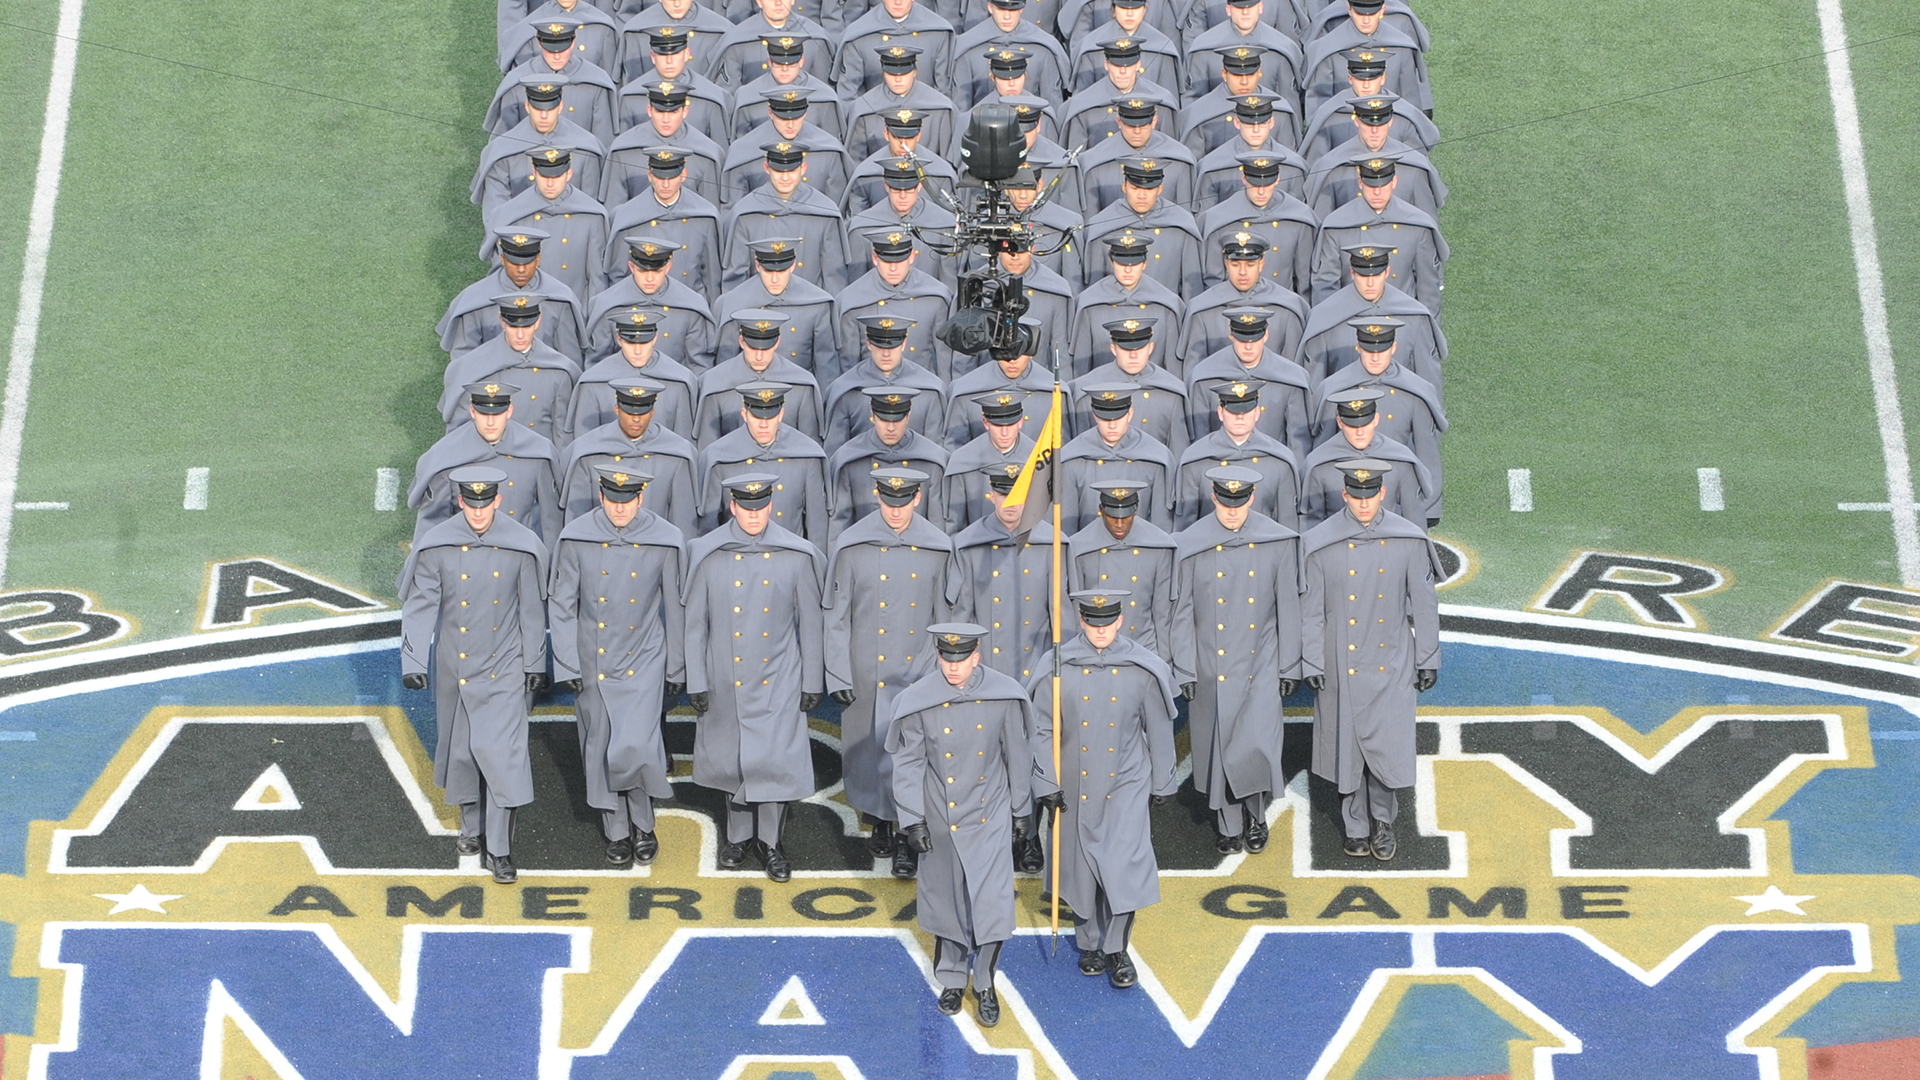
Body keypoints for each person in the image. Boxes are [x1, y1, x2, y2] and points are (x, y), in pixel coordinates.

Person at [399, 466, 550, 885]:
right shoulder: (437, 545)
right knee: (462, 750)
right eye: (471, 502)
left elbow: (531, 612)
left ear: (498, 501)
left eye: (486, 503)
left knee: (501, 757)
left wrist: (536, 663)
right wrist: (413, 662)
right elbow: (420, 605)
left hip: (504, 668)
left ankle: (499, 850)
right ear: (460, 500)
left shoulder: (521, 546)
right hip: (455, 667)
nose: (478, 512)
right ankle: (471, 827)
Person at [884, 623, 1035, 1025]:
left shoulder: (1003, 695)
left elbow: (1017, 756)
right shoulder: (918, 701)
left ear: (976, 657)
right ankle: (952, 978)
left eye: (961, 660)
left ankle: (984, 982)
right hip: (940, 815)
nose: (953, 668)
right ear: (939, 657)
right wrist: (912, 820)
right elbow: (909, 762)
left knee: (991, 905)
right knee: (947, 902)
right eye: (947, 660)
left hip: (989, 813)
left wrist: (1022, 812)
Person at [1028, 589, 1177, 988]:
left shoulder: (1142, 668)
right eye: (1092, 624)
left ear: (1120, 621)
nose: (1100, 632)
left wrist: (1163, 779)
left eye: (1107, 624)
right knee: (1079, 868)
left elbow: (1159, 728)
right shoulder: (1056, 666)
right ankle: (1089, 943)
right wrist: (1046, 782)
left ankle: (1116, 949)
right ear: (1081, 621)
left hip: (1125, 782)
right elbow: (1041, 728)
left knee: (1122, 865)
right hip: (1074, 783)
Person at [684, 472, 828, 881]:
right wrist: (696, 678)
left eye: (760, 507)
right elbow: (695, 623)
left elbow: (811, 624)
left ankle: (770, 843)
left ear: (771, 505)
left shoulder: (797, 554)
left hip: (779, 675)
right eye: (745, 508)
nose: (753, 515)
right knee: (732, 756)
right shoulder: (706, 553)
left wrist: (812, 682)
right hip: (724, 674)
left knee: (774, 760)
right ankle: (738, 836)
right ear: (732, 506)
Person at [548, 465, 687, 867]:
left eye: (627, 501)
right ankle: (617, 832)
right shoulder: (576, 537)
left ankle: (643, 824)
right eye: (613, 500)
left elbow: (676, 606)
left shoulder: (665, 539)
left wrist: (676, 668)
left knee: (636, 745)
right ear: (601, 496)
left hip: (644, 656)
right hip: (593, 657)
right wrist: (568, 664)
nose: (620, 509)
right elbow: (562, 605)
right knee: (600, 746)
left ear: (641, 498)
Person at [1302, 458, 1440, 861]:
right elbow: (1310, 610)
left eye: (1371, 495)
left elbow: (1424, 603)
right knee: (1346, 748)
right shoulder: (1320, 542)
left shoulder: (1408, 539)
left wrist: (1428, 657)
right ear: (1345, 495)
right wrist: (1311, 662)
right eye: (1356, 496)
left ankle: (1383, 822)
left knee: (1386, 745)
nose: (1364, 504)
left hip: (1391, 658)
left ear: (1382, 493)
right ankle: (1355, 826)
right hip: (1338, 661)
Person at [824, 467, 957, 877]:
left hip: (915, 669)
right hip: (865, 667)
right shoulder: (852, 544)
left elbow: (946, 615)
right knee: (866, 750)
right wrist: (838, 673)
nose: (896, 511)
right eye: (889, 501)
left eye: (904, 502)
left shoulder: (938, 547)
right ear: (877, 496)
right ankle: (879, 818)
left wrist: (942, 674)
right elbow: (836, 616)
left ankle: (904, 832)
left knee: (910, 756)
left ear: (916, 499)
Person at [1170, 465, 1301, 854]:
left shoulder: (1277, 542)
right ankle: (1228, 822)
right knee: (1216, 747)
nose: (1232, 511)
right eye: (1226, 502)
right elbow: (1181, 613)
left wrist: (1290, 664)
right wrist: (1184, 667)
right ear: (1214, 498)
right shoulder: (1190, 544)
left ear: (1251, 499)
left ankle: (1256, 815)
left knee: (1257, 742)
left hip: (1261, 661)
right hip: (1211, 664)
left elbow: (1288, 609)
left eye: (1239, 502)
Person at [409, 383, 562, 546]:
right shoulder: (445, 457)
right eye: (483, 414)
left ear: (509, 411)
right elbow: (432, 522)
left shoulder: (537, 453)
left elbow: (550, 521)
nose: (490, 422)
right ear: (472, 411)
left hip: (519, 555)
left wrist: (549, 566)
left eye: (497, 414)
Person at [1313, 317, 1445, 495]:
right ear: (1358, 347)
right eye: (1368, 349)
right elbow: (1323, 452)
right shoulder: (1334, 389)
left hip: (1397, 496)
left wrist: (1430, 508)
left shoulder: (1415, 391)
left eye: (1382, 350)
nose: (1375, 357)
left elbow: (1427, 455)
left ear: (1394, 348)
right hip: (1346, 494)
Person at [695, 381, 832, 546]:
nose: (764, 424)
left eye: (771, 416)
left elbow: (816, 525)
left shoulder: (806, 455)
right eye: (756, 416)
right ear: (744, 414)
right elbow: (709, 526)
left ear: (781, 414)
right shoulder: (719, 458)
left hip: (787, 555)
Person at [557, 378, 700, 534]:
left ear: (653, 411)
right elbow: (577, 521)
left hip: (654, 547)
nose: (636, 418)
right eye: (628, 411)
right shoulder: (587, 452)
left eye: (643, 411)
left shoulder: (677, 454)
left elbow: (683, 522)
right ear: (617, 409)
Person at [1310, 155, 1448, 314]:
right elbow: (1326, 286)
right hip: (1351, 320)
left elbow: (1428, 289)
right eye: (1370, 184)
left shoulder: (1417, 224)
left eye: (1383, 185)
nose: (1377, 192)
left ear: (1394, 182)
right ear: (1360, 183)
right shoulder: (1336, 225)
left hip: (1402, 318)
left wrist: (1427, 331)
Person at [439, 294, 582, 445]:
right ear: (502, 321)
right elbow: (460, 432)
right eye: (513, 326)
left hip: (537, 458)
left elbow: (562, 432)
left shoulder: (560, 370)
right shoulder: (472, 368)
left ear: (537, 322)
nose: (520, 335)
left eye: (526, 326)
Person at [1299, 242, 1446, 386]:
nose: (1370, 283)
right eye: (1363, 276)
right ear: (1352, 273)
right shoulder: (1324, 318)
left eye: (1377, 275)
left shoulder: (1415, 316)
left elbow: (1427, 383)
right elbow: (1315, 389)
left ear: (1387, 272)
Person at [1064, 483, 1177, 663]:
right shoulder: (1079, 549)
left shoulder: (1158, 547)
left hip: (1144, 651)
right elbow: (1074, 613)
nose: (1119, 523)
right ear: (1101, 510)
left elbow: (1162, 614)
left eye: (1126, 517)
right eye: (1111, 516)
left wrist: (1165, 665)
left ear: (1136, 510)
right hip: (1094, 655)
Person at [720, 142, 853, 293]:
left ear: (803, 169)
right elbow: (736, 279)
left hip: (807, 306)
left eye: (792, 170)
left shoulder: (825, 212)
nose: (785, 177)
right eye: (778, 170)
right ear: (766, 168)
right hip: (759, 311)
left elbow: (833, 278)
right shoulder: (745, 213)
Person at [442, 228, 588, 363]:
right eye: (514, 263)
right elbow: (463, 358)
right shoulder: (475, 300)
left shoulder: (559, 299)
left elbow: (569, 358)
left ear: (538, 259)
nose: (521, 270)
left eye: (528, 262)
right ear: (503, 259)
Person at [1298, 386, 1438, 527]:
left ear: (1376, 419)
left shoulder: (1401, 460)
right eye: (1352, 425)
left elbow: (1414, 521)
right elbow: (1311, 525)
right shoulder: (1318, 464)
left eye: (1365, 424)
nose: (1360, 432)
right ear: (1340, 422)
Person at [1184, 308, 1313, 456]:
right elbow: (1200, 438)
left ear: (1266, 336)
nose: (1248, 346)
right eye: (1242, 338)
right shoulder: (1204, 376)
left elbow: (1297, 443)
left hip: (1270, 465)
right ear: (1231, 335)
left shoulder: (1290, 378)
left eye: (1255, 338)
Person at [1176, 379, 1301, 530]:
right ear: (1221, 413)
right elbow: (1186, 527)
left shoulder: (1280, 461)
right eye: (1233, 410)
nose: (1240, 416)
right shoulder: (1195, 460)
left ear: (1257, 413)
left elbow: (1287, 526)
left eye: (1246, 410)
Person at [826, 389, 952, 536]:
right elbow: (840, 524)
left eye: (897, 419)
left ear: (908, 416)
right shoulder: (848, 460)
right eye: (884, 419)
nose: (891, 428)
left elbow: (937, 526)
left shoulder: (932, 461)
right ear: (873, 416)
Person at [473, 77, 608, 214]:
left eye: (550, 109)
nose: (544, 115)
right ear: (527, 107)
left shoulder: (587, 148)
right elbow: (496, 212)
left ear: (560, 107)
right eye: (538, 108)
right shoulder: (501, 152)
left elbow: (590, 208)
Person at [603, 146, 724, 298]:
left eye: (672, 177)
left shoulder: (704, 215)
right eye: (660, 177)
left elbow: (712, 278)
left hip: (687, 305)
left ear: (684, 175)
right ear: (649, 175)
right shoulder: (627, 217)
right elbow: (618, 278)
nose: (665, 185)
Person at [712, 238, 843, 376]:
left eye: (781, 271)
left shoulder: (817, 304)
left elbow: (825, 366)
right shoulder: (735, 303)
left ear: (792, 266)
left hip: (797, 388)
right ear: (757, 266)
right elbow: (726, 365)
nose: (775, 279)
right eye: (768, 271)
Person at [1055, 383, 1176, 532]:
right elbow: (1067, 523)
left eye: (1118, 418)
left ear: (1130, 414)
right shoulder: (1072, 458)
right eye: (1105, 418)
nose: (1112, 425)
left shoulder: (1155, 458)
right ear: (1094, 416)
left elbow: (1161, 524)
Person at [835, 232, 955, 381]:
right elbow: (848, 364)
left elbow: (945, 360)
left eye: (899, 261)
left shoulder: (935, 297)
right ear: (875, 258)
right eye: (886, 261)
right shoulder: (852, 301)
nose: (893, 268)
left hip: (921, 386)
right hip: (870, 389)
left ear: (911, 257)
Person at [587, 235, 719, 368]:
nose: (649, 278)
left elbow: (699, 365)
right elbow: (598, 364)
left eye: (657, 271)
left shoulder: (691, 306)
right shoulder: (608, 305)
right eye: (642, 271)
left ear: (668, 268)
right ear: (631, 267)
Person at [568, 308, 699, 442]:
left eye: (644, 342)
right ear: (619, 339)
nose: (638, 351)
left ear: (655, 338)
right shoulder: (593, 382)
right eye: (630, 342)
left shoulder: (680, 381)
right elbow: (585, 444)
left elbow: (683, 443)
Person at [695, 311, 826, 444]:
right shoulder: (715, 383)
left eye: (765, 348)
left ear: (777, 342)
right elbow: (708, 445)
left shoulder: (802, 384)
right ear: (741, 341)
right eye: (752, 347)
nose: (759, 357)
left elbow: (809, 447)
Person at [1197, 152, 1317, 295]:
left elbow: (1304, 281)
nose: (1261, 191)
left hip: (1280, 303)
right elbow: (1213, 281)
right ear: (1244, 179)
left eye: (1267, 184)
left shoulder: (1299, 218)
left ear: (1277, 179)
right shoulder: (1219, 220)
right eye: (1255, 184)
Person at [1068, 318, 1189, 460]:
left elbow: (1177, 452)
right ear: (1113, 349)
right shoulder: (1086, 390)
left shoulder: (1171, 392)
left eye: (1140, 348)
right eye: (1126, 348)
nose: (1133, 355)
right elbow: (1079, 448)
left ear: (1151, 348)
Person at [823, 317, 949, 452]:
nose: (886, 353)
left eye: (893, 346)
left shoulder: (930, 390)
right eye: (879, 345)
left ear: (904, 344)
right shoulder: (845, 390)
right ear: (869, 344)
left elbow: (934, 451)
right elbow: (835, 452)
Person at [945, 393, 1035, 529]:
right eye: (998, 425)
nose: (1004, 433)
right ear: (986, 423)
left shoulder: (1039, 458)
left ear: (1020, 422)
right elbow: (955, 523)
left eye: (1010, 424)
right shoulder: (963, 460)